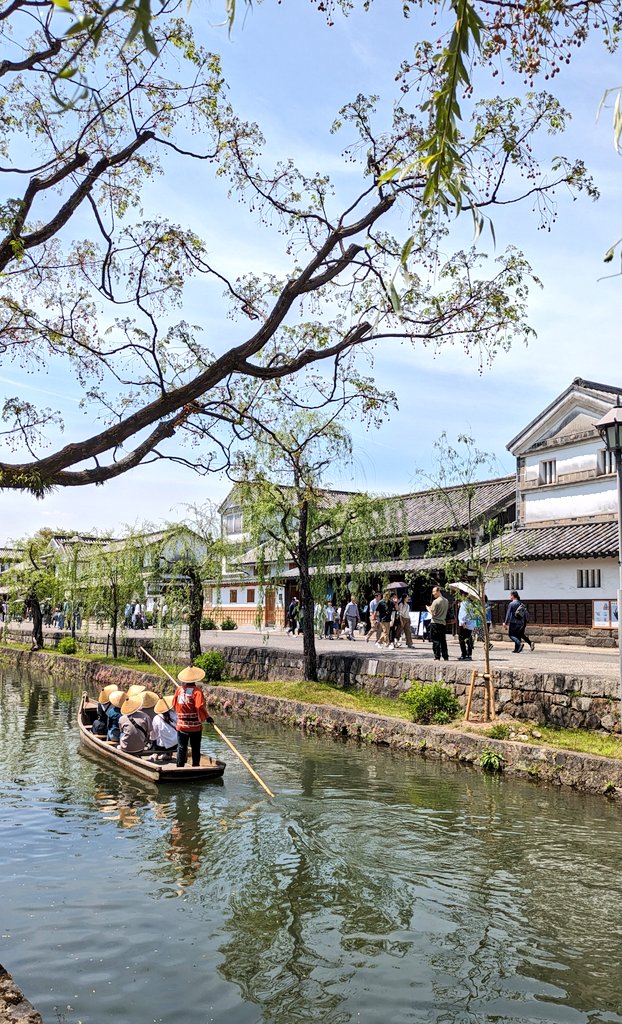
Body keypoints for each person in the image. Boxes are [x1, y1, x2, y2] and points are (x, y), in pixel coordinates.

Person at [173, 666, 213, 768]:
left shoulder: (179, 690)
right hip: (195, 726)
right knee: (195, 747)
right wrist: (207, 717)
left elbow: (173, 703)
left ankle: (179, 767)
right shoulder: (197, 691)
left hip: (181, 725)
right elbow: (199, 706)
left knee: (181, 747)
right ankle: (195, 766)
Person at [150, 695, 178, 762]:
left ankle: (155, 753)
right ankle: (168, 754)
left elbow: (153, 735)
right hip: (176, 744)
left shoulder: (156, 718)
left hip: (162, 747)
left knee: (153, 738)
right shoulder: (175, 714)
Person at [427, 586, 449, 661]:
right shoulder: (446, 601)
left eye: (434, 592)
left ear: (438, 591)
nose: (433, 594)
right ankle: (445, 656)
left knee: (436, 640)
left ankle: (437, 656)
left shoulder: (436, 601)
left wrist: (428, 609)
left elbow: (433, 613)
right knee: (443, 640)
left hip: (435, 622)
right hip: (443, 622)